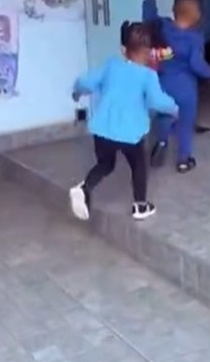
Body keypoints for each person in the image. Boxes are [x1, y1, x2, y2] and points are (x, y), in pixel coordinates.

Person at [69, 21, 179, 221]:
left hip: (103, 129)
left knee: (105, 164)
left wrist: (77, 92)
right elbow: (158, 100)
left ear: (123, 50)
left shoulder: (112, 65)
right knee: (138, 166)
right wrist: (174, 108)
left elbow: (85, 81)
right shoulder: (148, 75)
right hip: (131, 133)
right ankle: (140, 205)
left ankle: (84, 188)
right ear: (149, 52)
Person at [143, 0, 210, 173]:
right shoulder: (195, 37)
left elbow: (148, 17)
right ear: (198, 15)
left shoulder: (163, 27)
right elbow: (196, 63)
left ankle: (161, 140)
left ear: (174, 9)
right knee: (185, 124)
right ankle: (183, 160)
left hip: (165, 84)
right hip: (186, 91)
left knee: (164, 115)